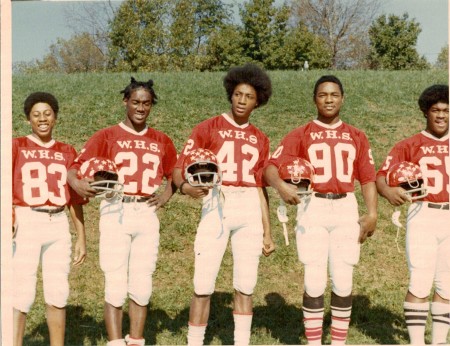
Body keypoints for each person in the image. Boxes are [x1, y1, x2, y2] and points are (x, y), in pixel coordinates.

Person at [264, 75, 378, 344]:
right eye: (323, 95)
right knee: (314, 277)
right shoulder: (301, 133)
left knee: (343, 278)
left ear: (342, 98)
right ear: (315, 99)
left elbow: (367, 177)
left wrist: (372, 213)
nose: (329, 99)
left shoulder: (357, 135)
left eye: (334, 94)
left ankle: (338, 342)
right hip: (312, 204)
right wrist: (281, 186)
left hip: (345, 206)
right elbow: (270, 166)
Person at [67, 77, 178, 346]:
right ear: (125, 102)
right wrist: (77, 182)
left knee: (142, 282)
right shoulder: (106, 135)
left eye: (147, 103)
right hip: (116, 207)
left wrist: (164, 196)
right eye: (136, 102)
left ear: (152, 105)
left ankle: (136, 340)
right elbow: (75, 166)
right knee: (115, 281)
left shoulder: (161, 139)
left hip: (146, 211)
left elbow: (175, 171)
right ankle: (116, 343)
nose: (141, 107)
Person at [172, 63, 276, 346]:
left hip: (249, 208)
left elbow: (260, 187)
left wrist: (267, 231)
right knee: (203, 283)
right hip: (218, 201)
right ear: (231, 94)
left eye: (249, 97)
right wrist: (185, 187)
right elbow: (180, 167)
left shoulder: (260, 138)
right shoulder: (208, 127)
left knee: (246, 284)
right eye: (238, 94)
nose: (242, 100)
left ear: (258, 101)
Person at [376, 84, 449, 344]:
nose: (441, 116)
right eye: (435, 110)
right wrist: (389, 192)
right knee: (420, 282)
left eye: (446, 110)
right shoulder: (410, 144)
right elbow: (381, 176)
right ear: (425, 113)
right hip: (424, 213)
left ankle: (439, 342)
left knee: (447, 286)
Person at [12, 92, 87, 346]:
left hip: (58, 222)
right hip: (27, 219)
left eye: (47, 114)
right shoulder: (16, 145)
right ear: (27, 120)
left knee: (58, 292)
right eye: (36, 115)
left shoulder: (67, 151)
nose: (42, 119)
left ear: (55, 117)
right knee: (22, 292)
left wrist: (81, 237)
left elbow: (75, 199)